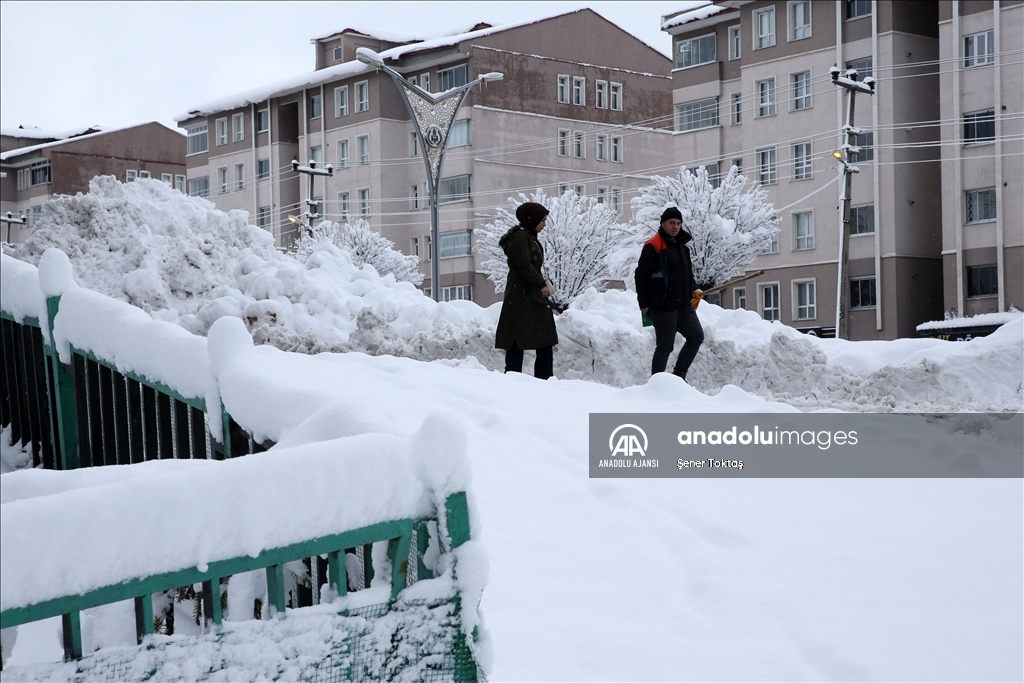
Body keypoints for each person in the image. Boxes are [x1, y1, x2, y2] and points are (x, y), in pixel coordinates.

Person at [634, 206, 704, 380]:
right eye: (672, 223)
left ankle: (679, 377)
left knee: (696, 336)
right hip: (663, 307)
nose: (675, 227)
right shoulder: (654, 245)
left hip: (684, 306)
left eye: (679, 223)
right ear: (663, 223)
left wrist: (694, 289)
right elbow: (641, 276)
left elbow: (687, 274)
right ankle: (657, 384)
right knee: (665, 346)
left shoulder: (683, 247)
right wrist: (644, 305)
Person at [495, 202, 558, 379]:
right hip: (522, 294)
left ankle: (542, 379)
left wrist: (540, 283)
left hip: (527, 292)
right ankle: (516, 379)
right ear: (531, 219)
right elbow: (524, 265)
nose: (544, 224)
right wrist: (541, 284)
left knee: (541, 337)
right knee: (519, 337)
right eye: (542, 220)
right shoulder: (520, 237)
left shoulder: (528, 236)